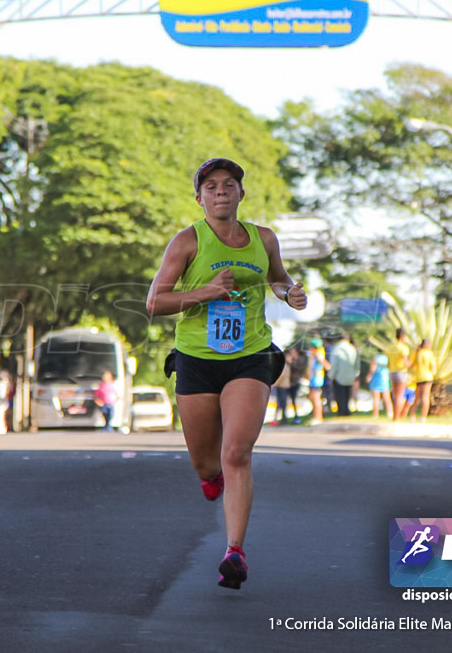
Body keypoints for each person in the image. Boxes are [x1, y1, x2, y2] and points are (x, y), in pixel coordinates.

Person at [145, 157, 307, 590]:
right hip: (196, 358)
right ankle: (209, 477)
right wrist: (207, 293)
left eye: (229, 184)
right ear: (199, 198)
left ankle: (235, 551)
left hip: (249, 356)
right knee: (205, 461)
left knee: (236, 452)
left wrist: (288, 292)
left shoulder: (263, 238)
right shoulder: (187, 242)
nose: (221, 191)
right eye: (212, 186)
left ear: (241, 193)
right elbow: (154, 303)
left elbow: (277, 278)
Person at [329, 332, 359, 417]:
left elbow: (334, 364)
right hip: (350, 376)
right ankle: (346, 411)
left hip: (339, 376)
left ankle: (341, 412)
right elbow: (357, 363)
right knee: (347, 395)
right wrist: (356, 373)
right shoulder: (352, 348)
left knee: (339, 395)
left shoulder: (337, 349)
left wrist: (332, 375)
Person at [387, 328, 411, 420]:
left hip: (392, 372)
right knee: (400, 395)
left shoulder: (391, 347)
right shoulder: (403, 348)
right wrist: (412, 364)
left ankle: (395, 415)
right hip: (401, 372)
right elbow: (406, 363)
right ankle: (397, 416)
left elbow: (388, 363)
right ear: (403, 337)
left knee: (394, 395)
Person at [411, 338, 436, 423]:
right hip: (427, 377)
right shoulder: (429, 353)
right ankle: (423, 417)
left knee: (417, 398)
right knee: (425, 397)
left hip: (418, 377)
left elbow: (411, 365)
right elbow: (432, 367)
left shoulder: (417, 352)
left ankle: (412, 415)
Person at [306, 337, 329, 424]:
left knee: (316, 399)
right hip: (313, 379)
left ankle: (318, 417)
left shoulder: (318, 354)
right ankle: (316, 416)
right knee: (312, 397)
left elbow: (326, 365)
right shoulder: (313, 355)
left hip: (317, 379)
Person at [367, 353, 393, 418]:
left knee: (376, 398)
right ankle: (390, 413)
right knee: (387, 398)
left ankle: (375, 414)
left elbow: (373, 368)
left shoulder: (376, 357)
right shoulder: (387, 358)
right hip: (385, 379)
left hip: (377, 379)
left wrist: (369, 375)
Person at [286, 346, 306, 423]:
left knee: (294, 399)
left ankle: (297, 417)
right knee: (290, 400)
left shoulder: (299, 360)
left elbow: (297, 369)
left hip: (295, 382)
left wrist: (289, 362)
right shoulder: (294, 360)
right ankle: (293, 416)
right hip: (291, 382)